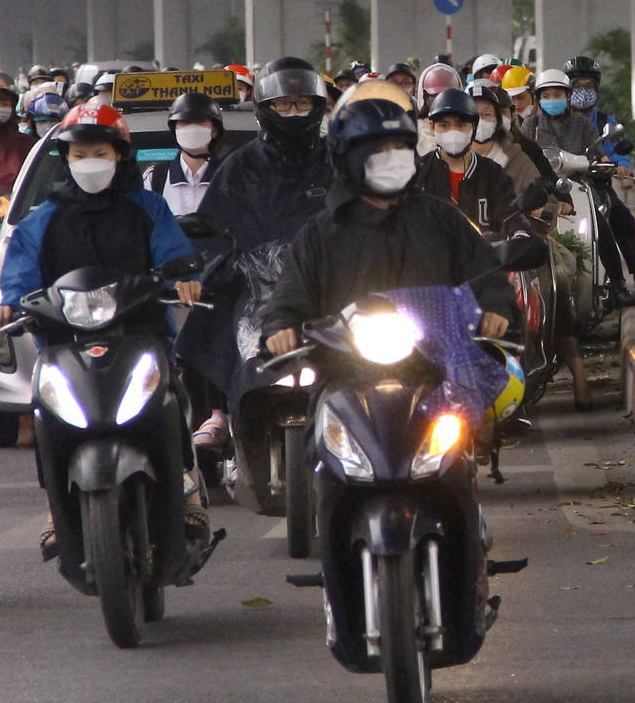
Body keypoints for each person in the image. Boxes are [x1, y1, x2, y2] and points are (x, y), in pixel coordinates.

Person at [0, 103, 203, 557]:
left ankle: (190, 493)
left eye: (99, 152)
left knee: (173, 398)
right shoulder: (41, 220)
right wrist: (9, 307)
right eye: (79, 154)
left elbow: (173, 254)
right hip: (65, 344)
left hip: (139, 336)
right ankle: (55, 509)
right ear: (65, 159)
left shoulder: (149, 208)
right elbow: (20, 275)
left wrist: (182, 275)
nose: (89, 162)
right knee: (46, 417)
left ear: (120, 154)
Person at [255, 96, 519, 360]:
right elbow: (289, 296)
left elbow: (486, 271)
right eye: (381, 150)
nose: (393, 157)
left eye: (400, 147)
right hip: (344, 372)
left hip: (436, 366)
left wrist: (496, 307)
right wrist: (280, 328)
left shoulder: (441, 218)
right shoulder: (320, 233)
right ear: (351, 158)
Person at [185, 58, 335, 450]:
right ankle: (220, 414)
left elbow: (364, 220)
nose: (293, 113)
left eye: (302, 104)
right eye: (283, 105)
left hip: (330, 288)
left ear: (318, 106)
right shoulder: (239, 167)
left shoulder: (338, 161)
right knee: (215, 317)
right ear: (264, 109)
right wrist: (225, 268)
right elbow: (210, 233)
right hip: (256, 293)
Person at [562, 54, 635, 299]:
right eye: (576, 87)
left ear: (597, 89)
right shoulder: (558, 120)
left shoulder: (605, 121)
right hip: (562, 186)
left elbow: (617, 150)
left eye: (589, 87)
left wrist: (620, 165)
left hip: (596, 185)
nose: (583, 92)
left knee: (622, 220)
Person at [419, 89, 519, 234]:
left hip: (483, 253)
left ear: (474, 126)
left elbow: (509, 215)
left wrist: (519, 233)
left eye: (461, 125)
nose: (452, 132)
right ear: (432, 127)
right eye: (444, 125)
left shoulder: (493, 174)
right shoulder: (419, 172)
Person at [145, 91, 226, 218]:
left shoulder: (229, 176)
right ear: (175, 131)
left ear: (214, 131)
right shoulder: (154, 178)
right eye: (185, 122)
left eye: (200, 122)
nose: (192, 128)